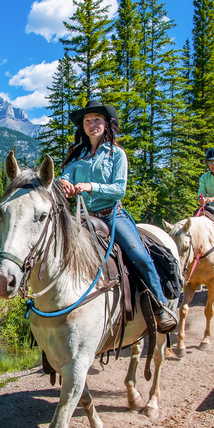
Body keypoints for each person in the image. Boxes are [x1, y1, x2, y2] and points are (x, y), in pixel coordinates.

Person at [58, 100, 178, 329]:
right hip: (84, 217)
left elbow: (119, 189)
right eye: (87, 121)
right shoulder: (78, 154)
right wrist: (63, 182)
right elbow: (65, 175)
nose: (92, 124)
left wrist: (92, 186)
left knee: (140, 257)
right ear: (82, 127)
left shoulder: (117, 154)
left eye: (97, 120)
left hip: (112, 215)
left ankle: (161, 307)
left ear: (106, 124)